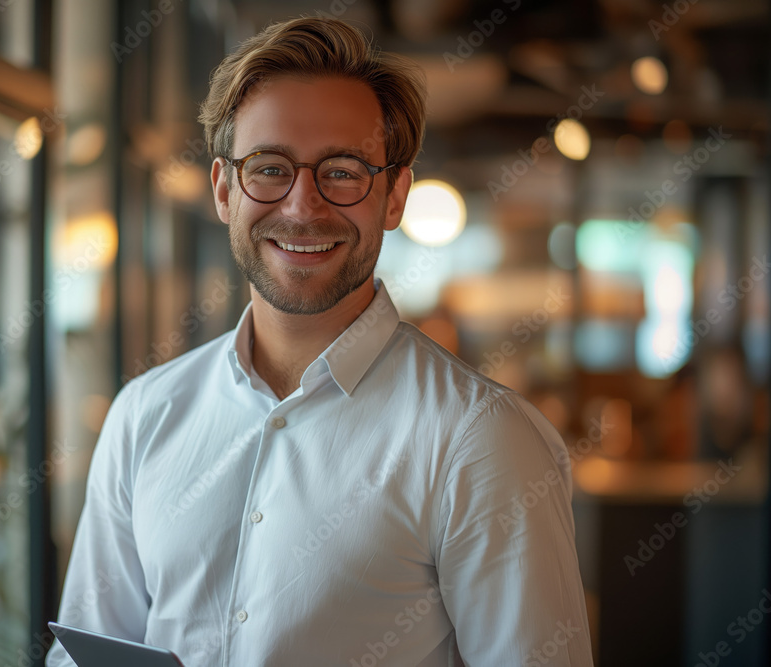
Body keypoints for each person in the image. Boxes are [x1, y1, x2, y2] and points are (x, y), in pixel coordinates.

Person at [47, 15, 592, 667]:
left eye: (341, 171)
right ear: (224, 190)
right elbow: (83, 654)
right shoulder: (144, 414)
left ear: (394, 196)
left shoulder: (480, 438)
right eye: (270, 168)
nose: (303, 206)